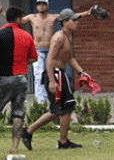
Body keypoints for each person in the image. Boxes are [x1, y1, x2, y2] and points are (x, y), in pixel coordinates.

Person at [21, 8, 92, 151]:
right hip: (54, 74)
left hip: (61, 74)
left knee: (62, 109)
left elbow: (70, 58)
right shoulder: (59, 38)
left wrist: (82, 72)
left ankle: (57, 139)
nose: (77, 23)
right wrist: (52, 81)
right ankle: (31, 132)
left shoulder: (69, 37)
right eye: (74, 20)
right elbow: (49, 59)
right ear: (65, 22)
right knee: (62, 108)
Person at [0, 7, 37, 160]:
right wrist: (21, 63)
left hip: (3, 79)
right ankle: (14, 151)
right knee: (18, 113)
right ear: (18, 19)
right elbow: (34, 58)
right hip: (21, 79)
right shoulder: (27, 35)